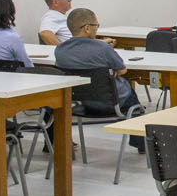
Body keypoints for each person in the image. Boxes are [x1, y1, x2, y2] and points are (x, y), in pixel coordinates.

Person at [53, 8, 144, 151]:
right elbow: (122, 70)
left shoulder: (60, 50)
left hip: (83, 102)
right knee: (134, 103)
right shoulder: (103, 48)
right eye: (96, 26)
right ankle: (140, 144)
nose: (97, 29)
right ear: (87, 28)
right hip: (114, 102)